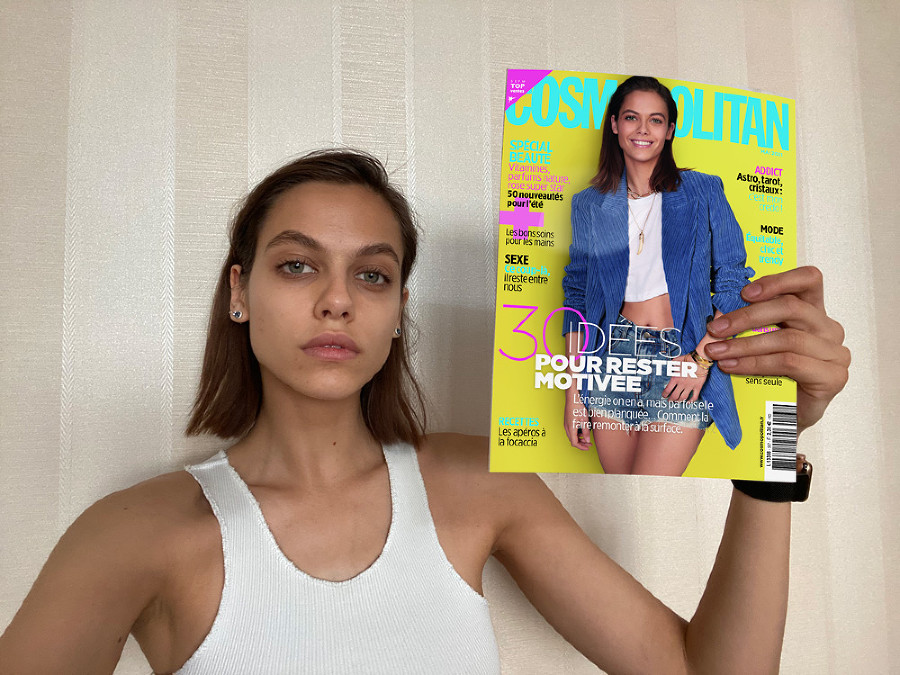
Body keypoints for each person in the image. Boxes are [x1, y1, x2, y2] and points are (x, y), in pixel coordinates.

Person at [0, 149, 849, 674]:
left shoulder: (477, 483)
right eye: (297, 265)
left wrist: (776, 427)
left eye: (372, 274)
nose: (338, 299)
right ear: (239, 292)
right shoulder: (131, 533)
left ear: (397, 309)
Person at [562, 75, 756, 476]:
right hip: (611, 359)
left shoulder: (702, 191)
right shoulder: (589, 205)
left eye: (656, 120)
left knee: (650, 490)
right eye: (632, 117)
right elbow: (577, 298)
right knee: (623, 496)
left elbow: (734, 279)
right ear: (614, 125)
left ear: (669, 130)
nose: (643, 129)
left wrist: (702, 358)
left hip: (680, 355)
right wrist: (573, 393)